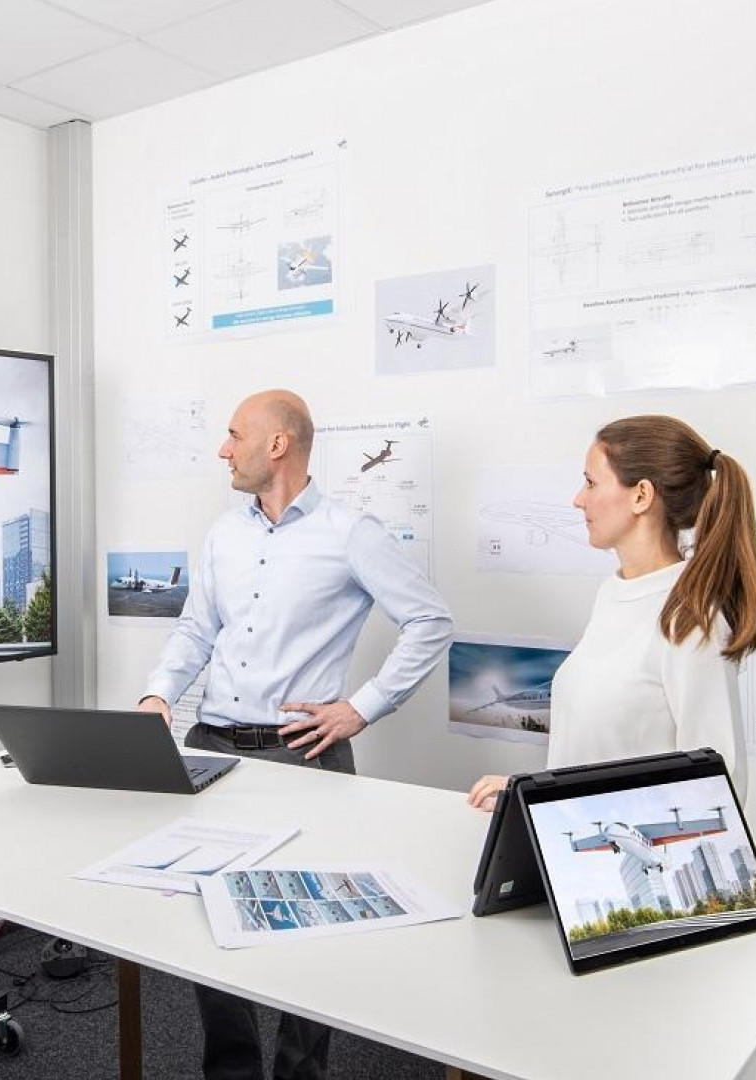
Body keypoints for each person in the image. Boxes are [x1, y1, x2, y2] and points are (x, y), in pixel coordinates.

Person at [137, 389, 453, 1080]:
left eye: (233, 434)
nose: (223, 448)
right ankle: (233, 1072)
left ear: (277, 444)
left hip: (302, 752)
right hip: (213, 744)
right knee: (208, 922)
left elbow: (429, 620)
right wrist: (159, 692)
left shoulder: (349, 533)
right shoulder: (225, 533)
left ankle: (299, 1074)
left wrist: (362, 707)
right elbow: (197, 629)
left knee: (314, 930)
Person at [466, 415, 756, 813]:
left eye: (591, 483)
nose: (578, 499)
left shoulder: (691, 624)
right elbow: (601, 756)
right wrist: (530, 796)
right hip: (573, 848)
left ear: (641, 495)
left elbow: (717, 794)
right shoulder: (616, 593)